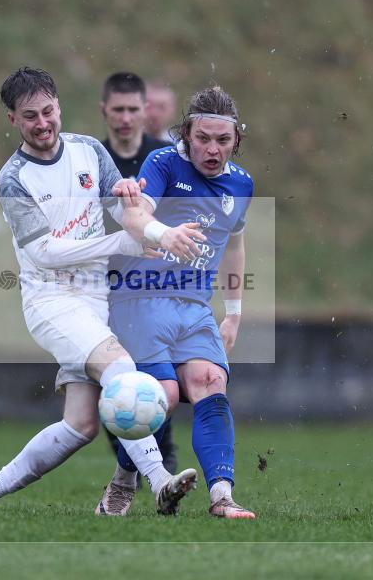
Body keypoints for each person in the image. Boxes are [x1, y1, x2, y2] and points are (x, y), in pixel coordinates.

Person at [0, 68, 202, 515]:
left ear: (59, 106)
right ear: (12, 121)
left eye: (47, 112)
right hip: (52, 300)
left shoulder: (89, 150)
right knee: (123, 368)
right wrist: (124, 241)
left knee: (80, 425)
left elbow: (125, 210)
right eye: (29, 117)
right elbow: (44, 252)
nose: (42, 124)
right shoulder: (13, 178)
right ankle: (158, 482)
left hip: (96, 299)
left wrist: (153, 228)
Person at [104, 85, 256, 519]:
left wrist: (234, 313)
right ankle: (123, 482)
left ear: (236, 141)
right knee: (162, 396)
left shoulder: (241, 184)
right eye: (203, 138)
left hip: (193, 307)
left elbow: (234, 245)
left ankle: (221, 497)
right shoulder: (165, 163)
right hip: (140, 298)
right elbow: (135, 213)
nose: (213, 149)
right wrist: (162, 233)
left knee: (211, 382)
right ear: (186, 135)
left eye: (223, 140)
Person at [99, 71, 178, 477]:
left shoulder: (162, 158)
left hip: (153, 279)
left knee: (152, 374)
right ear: (104, 111)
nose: (126, 118)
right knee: (114, 378)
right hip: (104, 280)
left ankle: (162, 458)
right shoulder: (95, 161)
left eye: (133, 109)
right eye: (119, 110)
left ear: (145, 111)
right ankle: (137, 466)